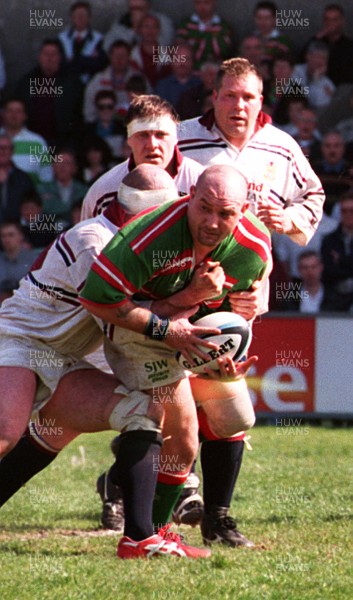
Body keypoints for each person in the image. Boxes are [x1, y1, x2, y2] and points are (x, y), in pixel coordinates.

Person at [0, 165, 218, 559]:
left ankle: (138, 540)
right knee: (6, 431)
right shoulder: (95, 242)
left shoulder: (142, 245)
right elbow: (121, 315)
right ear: (147, 215)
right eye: (167, 214)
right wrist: (188, 301)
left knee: (142, 413)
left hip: (69, 355)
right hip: (19, 341)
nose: (174, 223)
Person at [80, 164, 271, 556]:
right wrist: (170, 328)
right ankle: (152, 535)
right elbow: (97, 299)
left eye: (226, 214)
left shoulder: (252, 248)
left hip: (188, 333)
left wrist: (225, 355)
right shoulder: (148, 237)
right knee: (183, 436)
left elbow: (234, 310)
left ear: (244, 210)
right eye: (205, 207)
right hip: (136, 331)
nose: (213, 222)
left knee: (235, 417)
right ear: (190, 196)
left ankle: (141, 486)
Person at [177, 56, 325, 545]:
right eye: (231, 95)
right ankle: (141, 486)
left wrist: (289, 221)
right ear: (213, 97)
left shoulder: (280, 146)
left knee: (224, 397)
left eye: (250, 97)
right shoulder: (180, 139)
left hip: (242, 296)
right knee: (167, 396)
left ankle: (216, 516)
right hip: (176, 287)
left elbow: (314, 194)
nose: (240, 105)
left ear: (261, 102)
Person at [80, 94, 204, 220]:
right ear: (129, 140)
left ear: (176, 138)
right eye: (143, 135)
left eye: (161, 135)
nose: (152, 145)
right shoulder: (103, 192)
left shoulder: (200, 183)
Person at [14, 39, 82, 147]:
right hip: (31, 143)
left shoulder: (72, 84)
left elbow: (78, 119)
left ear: (60, 57)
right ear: (39, 57)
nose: (49, 58)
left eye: (53, 54)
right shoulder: (26, 82)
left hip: (63, 144)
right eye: (46, 54)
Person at [83, 39, 145, 123]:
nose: (119, 59)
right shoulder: (98, 80)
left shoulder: (139, 78)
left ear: (129, 57)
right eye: (116, 55)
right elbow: (89, 113)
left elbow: (149, 106)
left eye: (123, 55)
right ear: (110, 56)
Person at [0, 98, 53, 185]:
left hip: (29, 194)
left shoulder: (37, 142)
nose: (14, 115)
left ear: (25, 115)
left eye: (18, 111)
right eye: (10, 111)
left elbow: (46, 173)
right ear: (3, 114)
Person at [58, 0, 107, 85]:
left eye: (83, 15)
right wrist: (87, 60)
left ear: (89, 18)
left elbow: (99, 64)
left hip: (89, 84)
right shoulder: (62, 38)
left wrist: (74, 62)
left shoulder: (98, 39)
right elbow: (60, 63)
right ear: (72, 18)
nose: (80, 19)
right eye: (77, 16)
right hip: (66, 83)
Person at [37, 149, 88, 228]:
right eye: (59, 162)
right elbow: (45, 210)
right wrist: (71, 211)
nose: (62, 167)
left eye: (67, 163)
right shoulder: (42, 189)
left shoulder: (84, 190)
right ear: (53, 166)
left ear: (74, 168)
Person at [176, 0, 233, 70]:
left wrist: (198, 40)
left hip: (216, 69)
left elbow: (225, 51)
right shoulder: (185, 25)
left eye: (207, 3)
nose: (202, 7)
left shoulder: (223, 26)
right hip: (191, 70)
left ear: (214, 2)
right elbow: (180, 49)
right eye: (198, 3)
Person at [321, 191, 353, 312]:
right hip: (335, 296)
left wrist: (341, 260)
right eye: (344, 211)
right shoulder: (329, 240)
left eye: (351, 211)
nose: (348, 215)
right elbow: (329, 272)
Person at [103, 0, 174, 52]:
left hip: (157, 65)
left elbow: (168, 45)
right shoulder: (121, 23)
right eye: (134, 8)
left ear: (148, 4)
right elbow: (107, 47)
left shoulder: (163, 21)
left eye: (140, 8)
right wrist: (134, 29)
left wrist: (146, 28)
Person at [0, 221, 39, 303]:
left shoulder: (34, 260)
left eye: (11, 235)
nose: (7, 239)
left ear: (20, 236)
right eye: (3, 236)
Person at [154, 44, 202, 111]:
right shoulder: (162, 86)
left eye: (187, 58)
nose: (182, 63)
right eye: (178, 58)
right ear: (171, 61)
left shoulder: (200, 84)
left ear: (192, 62)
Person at [0, 134, 35, 224]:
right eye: (0, 147)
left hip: (17, 229)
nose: (2, 151)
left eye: (6, 148)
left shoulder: (23, 178)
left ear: (12, 151)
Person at [291, 41, 335, 110]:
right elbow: (297, 96)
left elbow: (318, 103)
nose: (320, 61)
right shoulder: (294, 71)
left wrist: (316, 79)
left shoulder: (327, 83)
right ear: (307, 56)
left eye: (323, 58)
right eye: (317, 57)